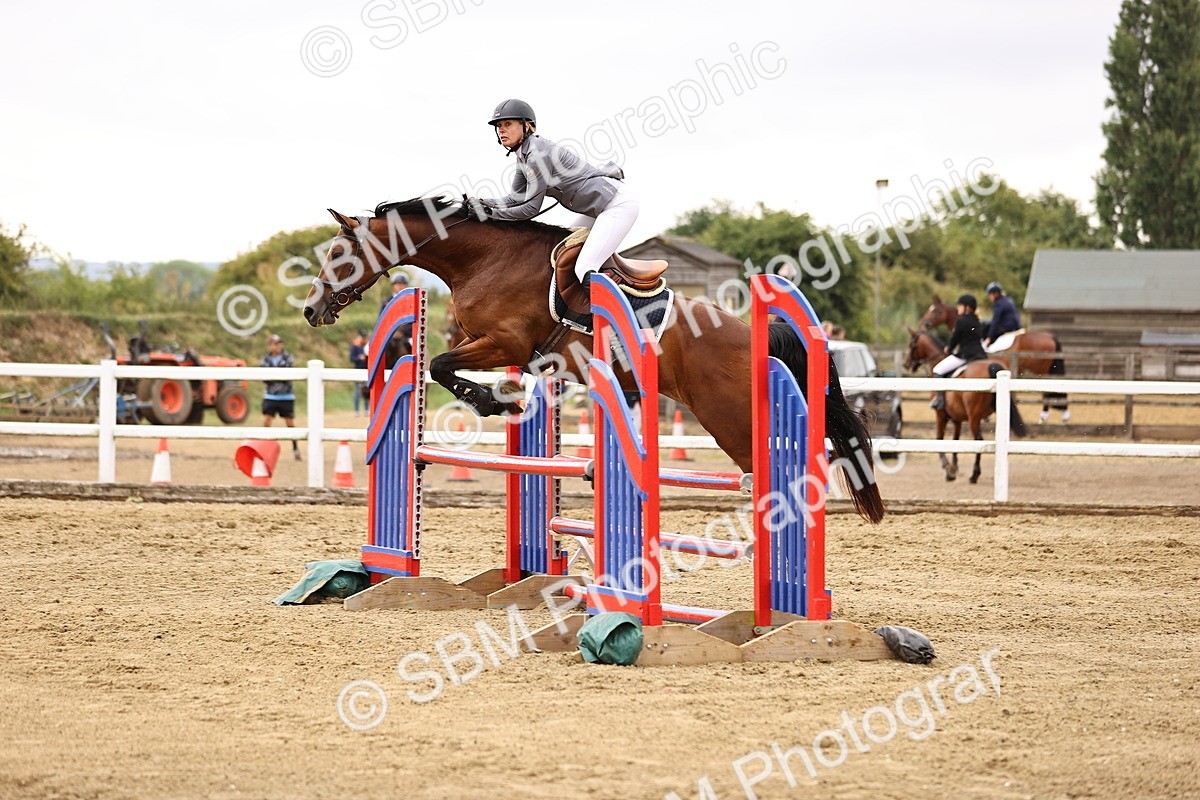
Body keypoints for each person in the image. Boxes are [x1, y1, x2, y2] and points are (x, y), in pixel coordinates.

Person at [471, 99, 635, 287]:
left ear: (527, 126)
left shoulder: (536, 154)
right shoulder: (523, 158)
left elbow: (530, 209)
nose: (501, 130)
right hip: (598, 209)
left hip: (617, 205)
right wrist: (483, 203)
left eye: (507, 124)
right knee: (561, 249)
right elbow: (514, 199)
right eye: (499, 126)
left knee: (584, 267)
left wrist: (490, 214)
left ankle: (615, 315)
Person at [930, 294, 986, 409]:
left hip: (965, 355)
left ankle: (940, 400)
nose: (957, 308)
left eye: (960, 305)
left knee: (938, 370)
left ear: (967, 307)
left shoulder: (961, 321)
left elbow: (955, 339)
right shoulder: (978, 321)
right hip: (980, 355)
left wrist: (948, 348)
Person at [261, 334, 301, 460]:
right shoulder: (265, 359)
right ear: (270, 345)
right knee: (267, 421)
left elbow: (287, 375)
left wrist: (274, 376)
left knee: (290, 423)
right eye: (275, 344)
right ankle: (263, 449)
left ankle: (295, 448)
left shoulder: (288, 357)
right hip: (271, 396)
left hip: (286, 396)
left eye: (279, 343)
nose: (278, 346)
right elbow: (264, 377)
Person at [983, 282, 1022, 349]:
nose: (989, 297)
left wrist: (989, 338)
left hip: (1007, 329)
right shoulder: (1008, 299)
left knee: (987, 326)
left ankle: (987, 348)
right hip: (1016, 327)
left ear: (995, 294)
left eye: (990, 295)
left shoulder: (999, 304)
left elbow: (995, 321)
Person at [349, 329, 368, 416]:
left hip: (366, 369)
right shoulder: (355, 345)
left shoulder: (367, 344)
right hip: (358, 369)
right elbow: (351, 358)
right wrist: (358, 358)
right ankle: (356, 410)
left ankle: (366, 410)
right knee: (357, 391)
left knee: (367, 391)